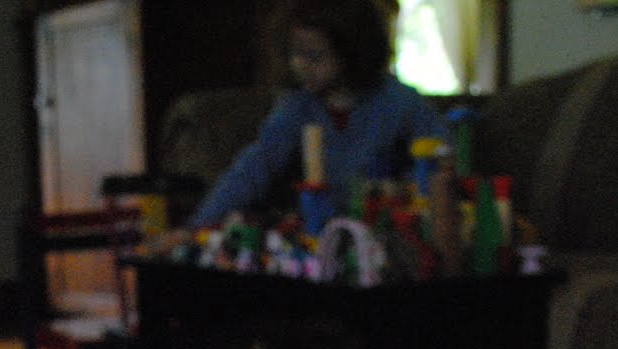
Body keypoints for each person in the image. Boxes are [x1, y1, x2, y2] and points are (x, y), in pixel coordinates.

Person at [177, 0, 446, 236]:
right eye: (294, 53)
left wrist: (408, 192)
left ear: (352, 52)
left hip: (387, 229)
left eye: (315, 56)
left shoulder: (399, 101)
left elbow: (441, 153)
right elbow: (256, 166)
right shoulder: (297, 106)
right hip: (318, 233)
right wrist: (198, 226)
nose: (299, 65)